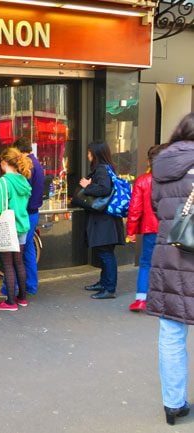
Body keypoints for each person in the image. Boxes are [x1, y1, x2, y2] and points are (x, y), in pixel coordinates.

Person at [146, 112, 194, 426]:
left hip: (170, 258)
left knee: (172, 333)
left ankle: (173, 405)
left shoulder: (161, 166)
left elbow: (155, 208)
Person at [0, 137, 43, 299]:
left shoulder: (6, 181)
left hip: (11, 223)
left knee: (9, 262)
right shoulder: (29, 172)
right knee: (23, 257)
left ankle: (9, 295)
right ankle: (26, 292)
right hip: (25, 220)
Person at [0, 147, 32, 311]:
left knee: (7, 264)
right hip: (22, 226)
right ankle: (22, 298)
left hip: (8, 228)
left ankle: (10, 302)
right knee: (19, 262)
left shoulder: (3, 182)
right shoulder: (24, 181)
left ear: (4, 162)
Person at [80, 141, 126, 299]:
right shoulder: (107, 168)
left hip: (104, 220)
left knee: (106, 254)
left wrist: (87, 186)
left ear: (95, 154)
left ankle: (109, 288)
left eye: (89, 152)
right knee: (105, 252)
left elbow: (104, 189)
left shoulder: (100, 169)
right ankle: (103, 282)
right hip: (108, 219)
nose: (87, 155)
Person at [125, 144, 164, 312]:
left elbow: (135, 209)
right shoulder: (175, 180)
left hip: (150, 229)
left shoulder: (143, 180)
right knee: (168, 265)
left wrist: (131, 231)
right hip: (172, 229)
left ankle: (141, 299)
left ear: (149, 161)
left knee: (146, 263)